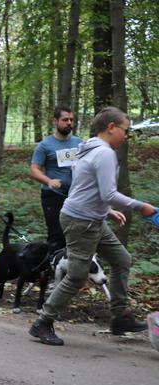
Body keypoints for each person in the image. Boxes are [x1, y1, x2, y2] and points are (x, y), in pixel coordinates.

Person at [29, 107, 155, 346]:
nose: (126, 135)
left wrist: (107, 210)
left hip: (93, 219)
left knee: (121, 260)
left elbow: (85, 187)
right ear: (111, 128)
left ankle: (120, 318)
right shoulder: (104, 153)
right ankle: (42, 322)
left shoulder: (86, 148)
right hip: (81, 222)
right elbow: (108, 192)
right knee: (77, 276)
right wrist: (141, 207)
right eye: (124, 130)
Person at [30, 106, 82, 251]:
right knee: (57, 236)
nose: (69, 123)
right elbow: (34, 170)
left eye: (71, 120)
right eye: (65, 120)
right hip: (53, 196)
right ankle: (51, 270)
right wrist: (49, 181)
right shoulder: (45, 145)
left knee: (76, 235)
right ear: (55, 121)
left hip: (75, 196)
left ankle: (71, 269)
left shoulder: (79, 143)